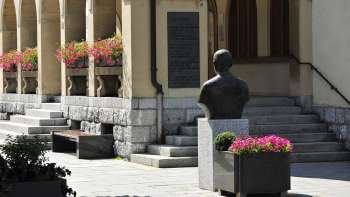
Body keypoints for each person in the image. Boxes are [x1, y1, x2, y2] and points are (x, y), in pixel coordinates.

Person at [198, 49, 249, 119]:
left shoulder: (207, 86)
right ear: (231, 64)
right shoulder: (243, 85)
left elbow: (201, 102)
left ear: (214, 64)